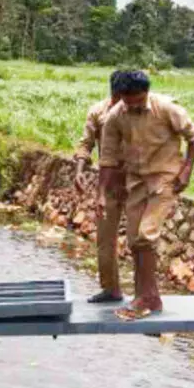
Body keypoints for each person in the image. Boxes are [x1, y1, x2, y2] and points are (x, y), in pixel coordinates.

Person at [99, 70, 194, 321]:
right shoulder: (115, 116)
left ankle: (146, 298)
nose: (133, 105)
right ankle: (148, 297)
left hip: (165, 179)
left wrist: (186, 170)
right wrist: (103, 194)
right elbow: (108, 157)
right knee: (134, 239)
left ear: (146, 92)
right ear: (120, 96)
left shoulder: (166, 108)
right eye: (127, 100)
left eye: (137, 99)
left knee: (146, 235)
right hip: (136, 181)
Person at [73, 70, 127, 303]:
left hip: (137, 180)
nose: (119, 101)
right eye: (116, 96)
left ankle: (146, 294)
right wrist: (79, 172)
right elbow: (85, 144)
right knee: (105, 241)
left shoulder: (140, 112)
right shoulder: (98, 112)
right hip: (109, 182)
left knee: (140, 241)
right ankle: (111, 289)